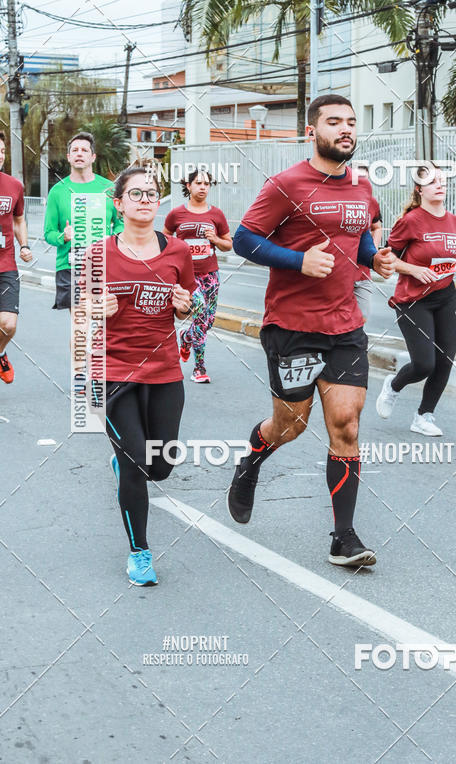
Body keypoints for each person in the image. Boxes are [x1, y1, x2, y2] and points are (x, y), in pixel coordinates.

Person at [227, 94, 395, 567]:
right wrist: (298, 260)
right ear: (312, 131)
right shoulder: (286, 184)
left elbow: (358, 243)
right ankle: (253, 457)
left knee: (346, 425)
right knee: (291, 426)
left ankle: (344, 538)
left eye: (351, 121)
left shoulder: (361, 188)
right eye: (334, 121)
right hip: (293, 327)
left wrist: (375, 259)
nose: (346, 129)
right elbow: (243, 239)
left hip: (345, 326)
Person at [84, 163, 195, 586]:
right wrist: (96, 309)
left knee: (160, 467)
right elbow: (82, 312)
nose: (145, 199)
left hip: (164, 371)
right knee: (135, 463)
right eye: (136, 193)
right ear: (119, 204)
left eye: (151, 193)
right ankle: (140, 553)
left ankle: (125, 461)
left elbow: (189, 306)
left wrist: (185, 308)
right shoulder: (98, 254)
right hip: (112, 373)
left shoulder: (178, 252)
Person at [376, 164, 456, 436]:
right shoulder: (410, 221)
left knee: (444, 361)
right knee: (424, 364)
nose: (440, 185)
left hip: (446, 297)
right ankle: (393, 385)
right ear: (419, 189)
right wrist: (414, 269)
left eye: (443, 180)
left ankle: (424, 416)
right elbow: (387, 257)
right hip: (413, 300)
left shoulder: (454, 222)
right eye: (433, 181)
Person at [163, 168, 232, 382]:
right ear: (189, 186)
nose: (203, 187)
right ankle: (199, 369)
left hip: (210, 275)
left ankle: (186, 336)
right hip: (187, 277)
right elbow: (164, 240)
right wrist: (176, 250)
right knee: (200, 315)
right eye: (198, 183)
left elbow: (228, 245)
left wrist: (216, 240)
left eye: (206, 184)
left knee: (207, 322)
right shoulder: (176, 214)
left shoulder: (216, 214)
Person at [44, 132, 123, 313]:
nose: (79, 153)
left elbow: (121, 222)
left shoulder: (109, 189)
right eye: (75, 150)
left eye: (84, 150)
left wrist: (114, 238)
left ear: (93, 157)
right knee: (80, 324)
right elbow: (49, 233)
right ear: (68, 157)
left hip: (104, 265)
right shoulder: (57, 191)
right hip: (70, 266)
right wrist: (62, 237)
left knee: (103, 322)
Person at [0, 131, 33, 383]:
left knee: (8, 324)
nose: (0, 156)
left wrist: (24, 245)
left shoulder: (14, 186)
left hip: (6, 264)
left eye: (2, 151)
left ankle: (0, 353)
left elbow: (19, 219)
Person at [353, 164, 382, 323]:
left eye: (365, 179)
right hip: (338, 274)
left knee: (361, 318)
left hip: (362, 273)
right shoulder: (337, 200)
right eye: (357, 178)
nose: (361, 182)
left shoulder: (372, 202)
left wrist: (373, 250)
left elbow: (377, 227)